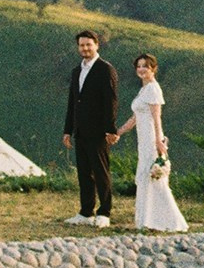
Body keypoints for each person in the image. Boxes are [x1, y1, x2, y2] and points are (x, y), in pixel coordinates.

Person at [116, 53, 188, 233]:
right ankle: (147, 219)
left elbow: (157, 117)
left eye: (145, 66)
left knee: (153, 175)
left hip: (151, 137)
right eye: (139, 66)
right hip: (143, 138)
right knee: (145, 175)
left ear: (153, 69)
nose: (141, 69)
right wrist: (118, 132)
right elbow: (135, 118)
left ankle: (166, 220)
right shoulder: (144, 89)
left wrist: (158, 140)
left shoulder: (153, 89)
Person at [60, 30, 119, 227]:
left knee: (101, 172)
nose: (85, 48)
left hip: (99, 131)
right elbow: (72, 103)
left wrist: (110, 129)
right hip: (80, 130)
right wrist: (68, 130)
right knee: (84, 172)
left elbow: (110, 101)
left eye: (88, 45)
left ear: (96, 45)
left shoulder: (105, 69)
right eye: (81, 45)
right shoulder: (77, 71)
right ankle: (86, 212)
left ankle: (104, 212)